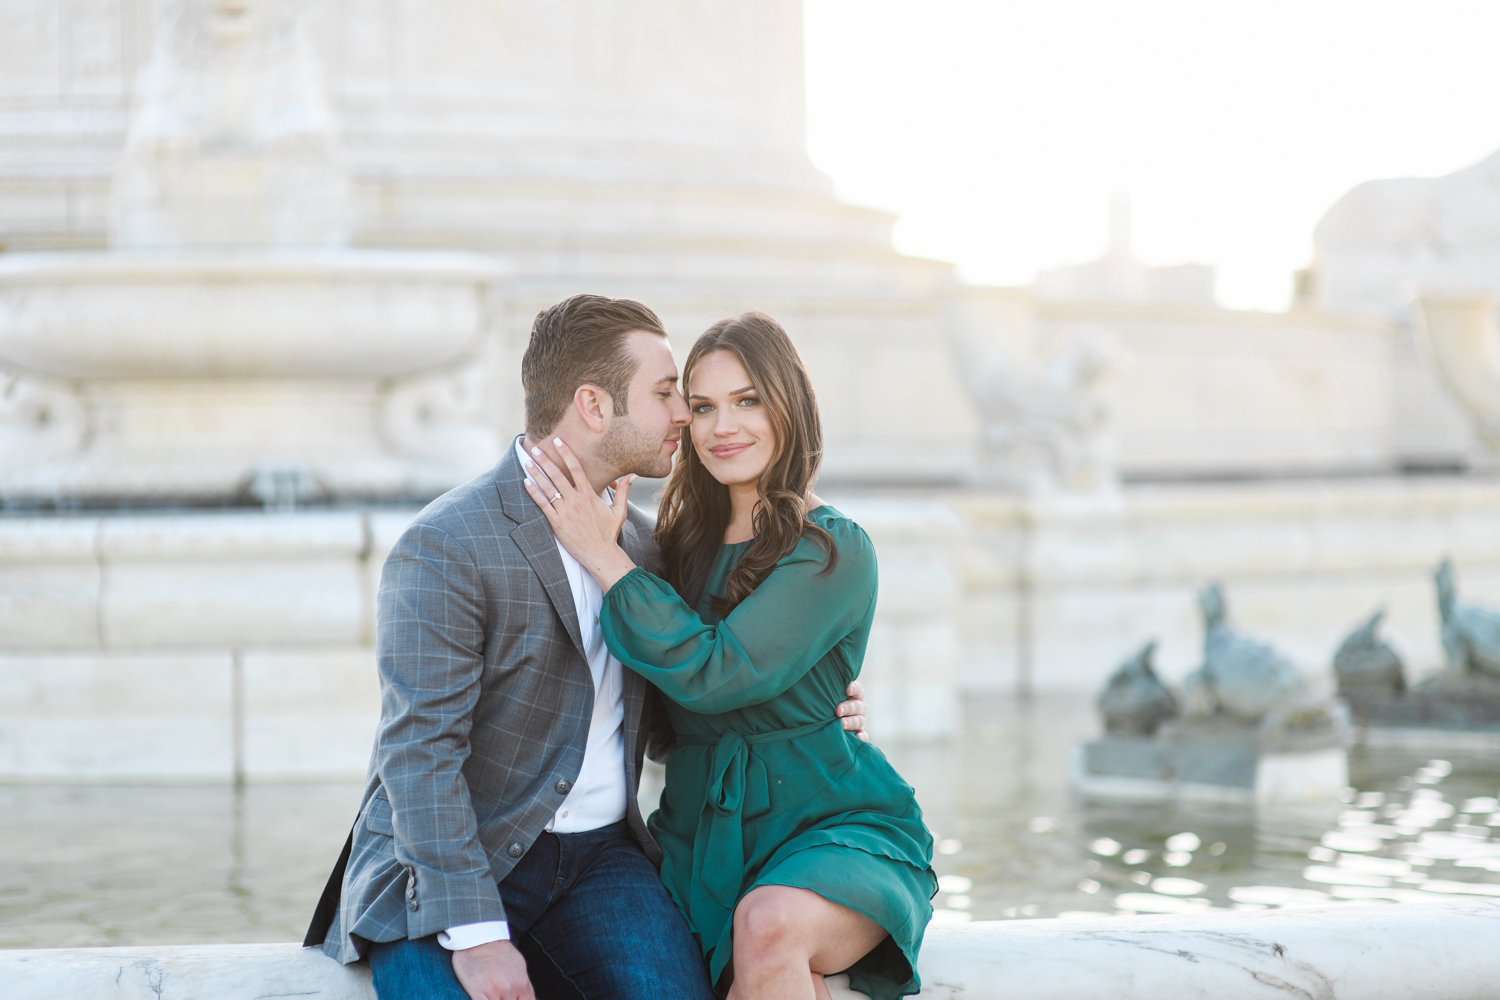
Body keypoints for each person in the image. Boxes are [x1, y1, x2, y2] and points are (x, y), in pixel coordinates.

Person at [302, 294, 867, 1000]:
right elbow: (418, 754)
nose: (687, 417)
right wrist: (477, 936)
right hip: (454, 865)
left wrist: (812, 703)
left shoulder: (643, 549)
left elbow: (696, 689)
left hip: (604, 862)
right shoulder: (446, 544)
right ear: (594, 407)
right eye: (669, 394)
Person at [522, 311, 936, 1000]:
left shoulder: (831, 547)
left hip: (828, 827)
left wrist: (600, 554)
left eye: (748, 401)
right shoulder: (671, 548)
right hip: (699, 839)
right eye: (705, 406)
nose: (724, 427)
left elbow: (719, 675)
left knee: (768, 923)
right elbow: (660, 720)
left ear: (789, 407)